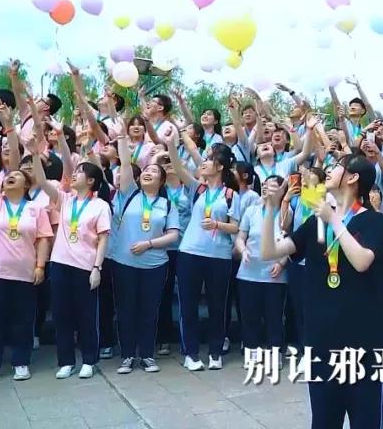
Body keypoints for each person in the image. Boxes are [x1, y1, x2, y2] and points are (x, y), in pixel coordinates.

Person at [260, 154, 383, 429]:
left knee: (366, 421)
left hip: (363, 343)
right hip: (321, 339)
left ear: (353, 178)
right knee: (323, 421)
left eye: (337, 167)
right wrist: (271, 209)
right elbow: (269, 251)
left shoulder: (374, 221)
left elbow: (362, 261)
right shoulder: (315, 223)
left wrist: (334, 220)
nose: (328, 171)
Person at [0, 125, 52, 382]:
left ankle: (21, 361)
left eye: (17, 176)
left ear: (26, 184)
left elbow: (43, 239)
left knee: (23, 319)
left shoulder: (35, 209)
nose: (10, 177)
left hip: (24, 272)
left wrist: (40, 266)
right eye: (8, 175)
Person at [110, 130, 182, 374]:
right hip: (124, 263)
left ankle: (147, 355)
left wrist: (149, 244)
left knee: (149, 311)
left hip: (155, 265)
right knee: (125, 310)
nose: (148, 173)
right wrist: (122, 137)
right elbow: (125, 164)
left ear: (162, 181)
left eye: (154, 172)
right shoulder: (128, 194)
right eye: (146, 171)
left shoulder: (167, 204)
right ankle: (127, 355)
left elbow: (173, 235)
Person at [42, 156, 112, 380]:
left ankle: (89, 360)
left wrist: (97, 267)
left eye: (80, 171)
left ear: (91, 180)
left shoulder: (100, 206)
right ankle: (66, 361)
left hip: (85, 266)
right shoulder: (65, 199)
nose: (74, 174)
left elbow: (103, 239)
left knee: (86, 315)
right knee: (61, 315)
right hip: (60, 263)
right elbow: (42, 183)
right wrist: (34, 155)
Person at [176, 145, 240, 371]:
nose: (204, 162)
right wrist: (172, 144)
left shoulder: (231, 195)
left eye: (209, 159)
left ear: (220, 166)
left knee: (218, 305)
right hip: (189, 253)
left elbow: (235, 228)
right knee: (188, 305)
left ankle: (215, 352)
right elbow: (179, 169)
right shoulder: (198, 188)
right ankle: (190, 353)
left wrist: (216, 224)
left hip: (219, 255)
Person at [235, 174, 288, 355]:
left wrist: (281, 263)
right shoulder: (252, 211)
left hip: (274, 273)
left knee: (274, 317)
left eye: (272, 186)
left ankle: (275, 352)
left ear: (281, 191)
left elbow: (291, 241)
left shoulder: (285, 212)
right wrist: (243, 250)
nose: (266, 188)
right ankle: (251, 351)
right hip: (248, 271)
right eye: (264, 184)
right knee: (250, 316)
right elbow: (241, 237)